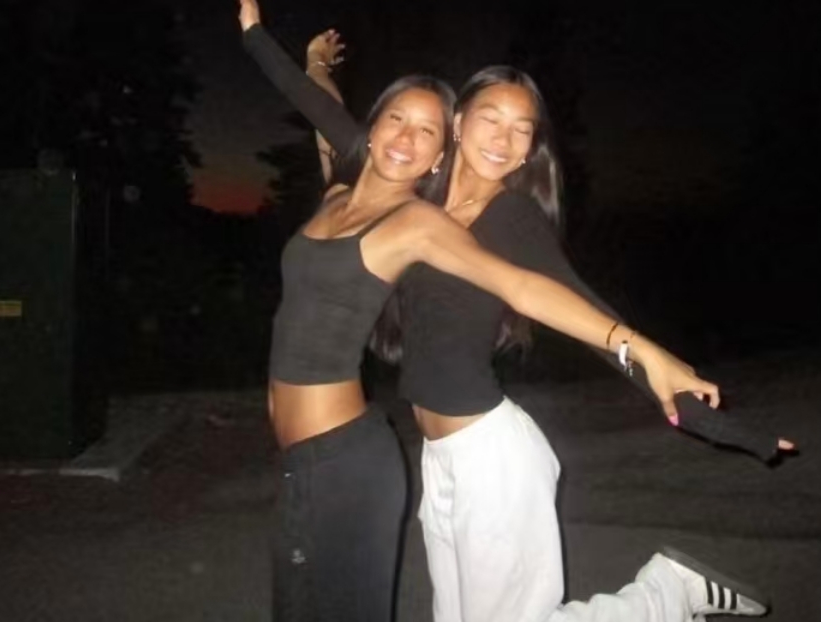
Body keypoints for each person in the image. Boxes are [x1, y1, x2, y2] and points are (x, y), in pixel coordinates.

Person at [239, 3, 787, 620]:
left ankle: (666, 594)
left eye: (522, 130)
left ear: (530, 150)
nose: (502, 140)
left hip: (490, 453)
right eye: (490, 119)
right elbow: (328, 118)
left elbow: (546, 295)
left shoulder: (511, 219)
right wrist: (305, 59)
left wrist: (659, 369)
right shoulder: (412, 191)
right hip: (439, 456)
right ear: (457, 125)